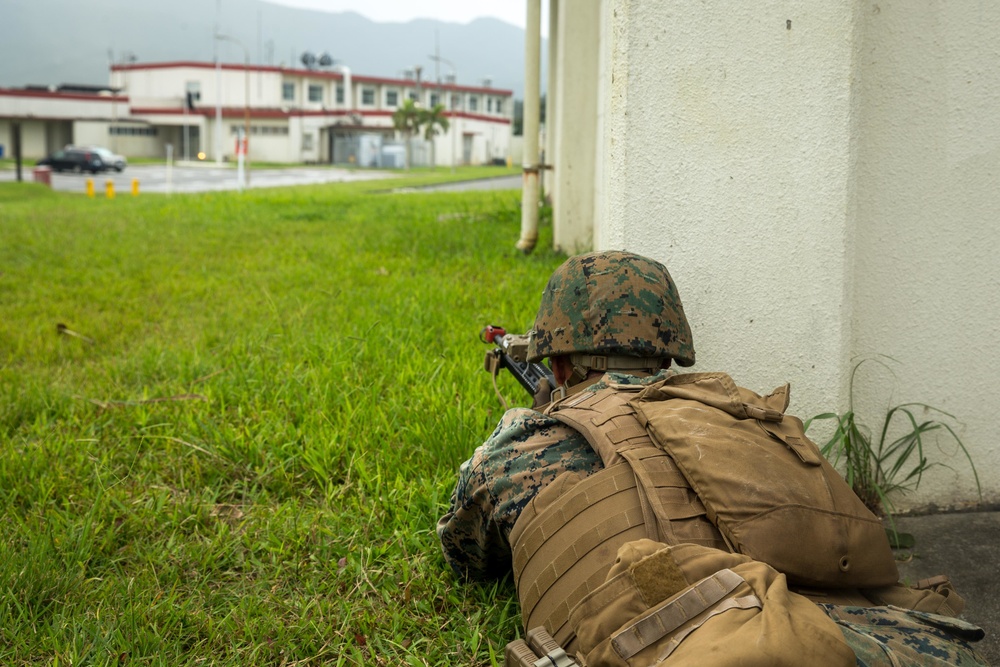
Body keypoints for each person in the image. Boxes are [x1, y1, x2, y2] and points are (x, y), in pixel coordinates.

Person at [438, 250, 987, 666]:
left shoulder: (520, 445)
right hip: (850, 629)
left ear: (557, 368)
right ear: (669, 352)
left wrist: (523, 423)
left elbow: (467, 556)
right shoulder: (733, 408)